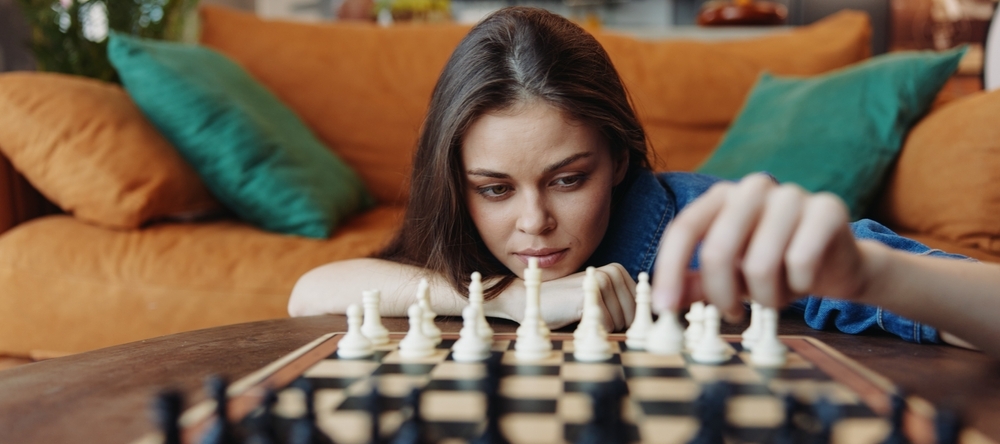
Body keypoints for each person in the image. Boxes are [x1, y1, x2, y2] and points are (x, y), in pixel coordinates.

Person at [289, 7, 1000, 356]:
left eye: (568, 179)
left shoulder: (711, 234)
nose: (532, 222)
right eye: (495, 188)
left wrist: (870, 273)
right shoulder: (465, 239)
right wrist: (520, 299)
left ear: (621, 157)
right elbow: (309, 292)